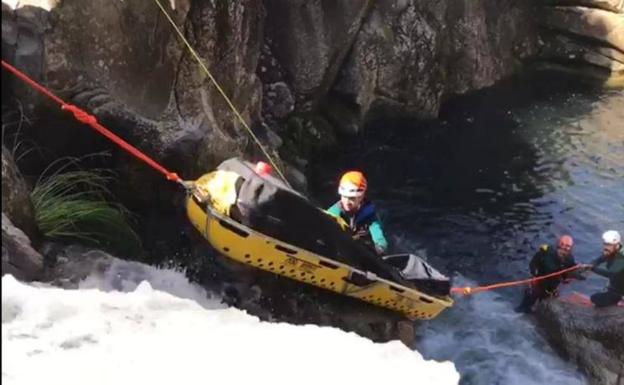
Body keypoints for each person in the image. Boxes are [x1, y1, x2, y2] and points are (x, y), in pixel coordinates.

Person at [515, 235, 585, 313]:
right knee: (529, 298)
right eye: (562, 245)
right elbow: (533, 263)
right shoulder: (546, 252)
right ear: (558, 245)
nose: (563, 249)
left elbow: (570, 272)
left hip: (551, 286)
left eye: (567, 247)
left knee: (544, 303)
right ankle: (522, 309)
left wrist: (579, 272)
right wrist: (534, 274)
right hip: (540, 280)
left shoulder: (569, 259)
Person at [326, 171, 389, 255]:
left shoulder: (370, 214)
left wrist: (380, 248)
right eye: (344, 196)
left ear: (361, 197)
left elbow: (378, 236)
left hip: (363, 252)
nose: (347, 202)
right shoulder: (333, 213)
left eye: (352, 198)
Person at [588, 230, 624, 307]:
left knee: (595, 299)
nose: (605, 247)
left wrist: (592, 268)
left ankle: (620, 298)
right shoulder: (611, 251)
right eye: (605, 244)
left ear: (616, 245)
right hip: (615, 286)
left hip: (620, 291)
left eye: (608, 245)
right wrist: (592, 264)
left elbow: (610, 274)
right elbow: (600, 259)